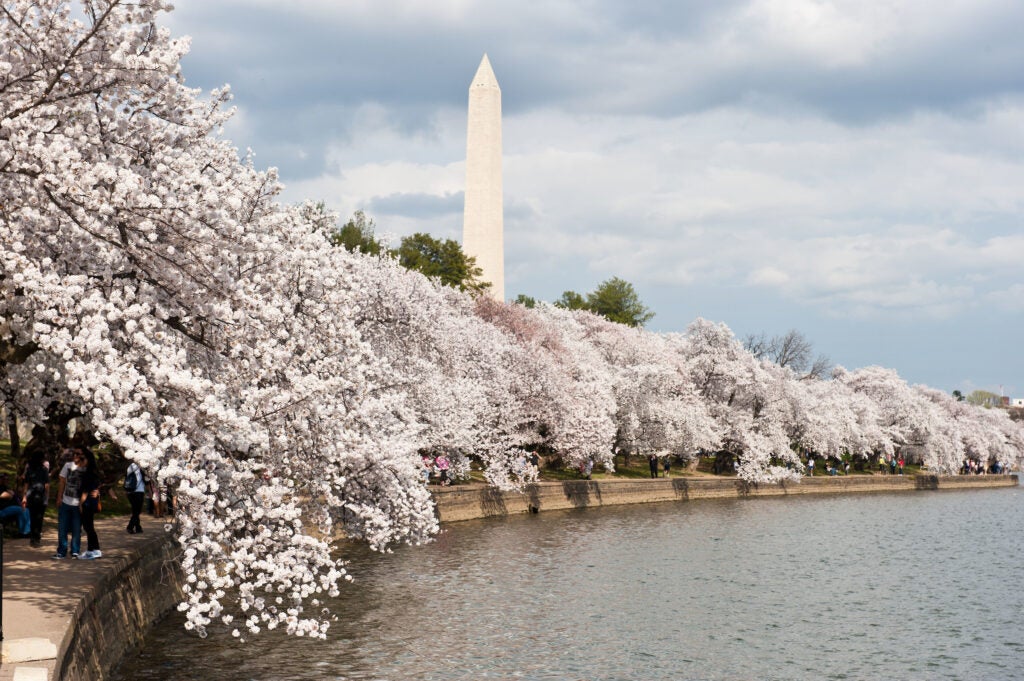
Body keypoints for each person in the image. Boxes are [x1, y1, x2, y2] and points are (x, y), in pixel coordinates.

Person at [54, 448, 84, 559]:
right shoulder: (67, 465)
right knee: (62, 528)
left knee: (76, 529)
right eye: (74, 454)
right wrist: (59, 497)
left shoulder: (85, 468)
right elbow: (62, 482)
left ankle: (75, 550)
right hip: (66, 502)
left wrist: (82, 503)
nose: (76, 456)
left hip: (78, 504)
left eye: (79, 454)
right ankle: (62, 551)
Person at [78, 449, 102, 559]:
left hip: (87, 503)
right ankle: (91, 549)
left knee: (89, 527)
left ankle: (95, 549)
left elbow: (85, 491)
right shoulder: (92, 472)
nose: (80, 461)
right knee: (89, 527)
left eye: (83, 459)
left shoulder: (88, 473)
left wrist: (80, 504)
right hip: (90, 502)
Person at [23, 451, 51, 547]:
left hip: (31, 495)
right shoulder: (44, 469)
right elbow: (46, 484)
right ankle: (36, 538)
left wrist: (24, 496)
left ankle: (32, 538)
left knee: (32, 517)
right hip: (40, 496)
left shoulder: (29, 469)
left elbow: (26, 484)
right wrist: (47, 496)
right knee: (39, 518)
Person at [0, 472, 31, 537]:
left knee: (25, 510)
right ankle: (26, 532)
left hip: (10, 508)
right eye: (4, 479)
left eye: (7, 479)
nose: (6, 480)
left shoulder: (5, 487)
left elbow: (13, 495)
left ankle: (23, 532)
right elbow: (4, 495)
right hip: (2, 510)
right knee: (22, 510)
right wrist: (11, 494)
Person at [125, 460, 146, 533]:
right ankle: (130, 527)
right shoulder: (136, 466)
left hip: (131, 491)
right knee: (137, 511)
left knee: (135, 510)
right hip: (137, 491)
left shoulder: (131, 466)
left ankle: (138, 527)